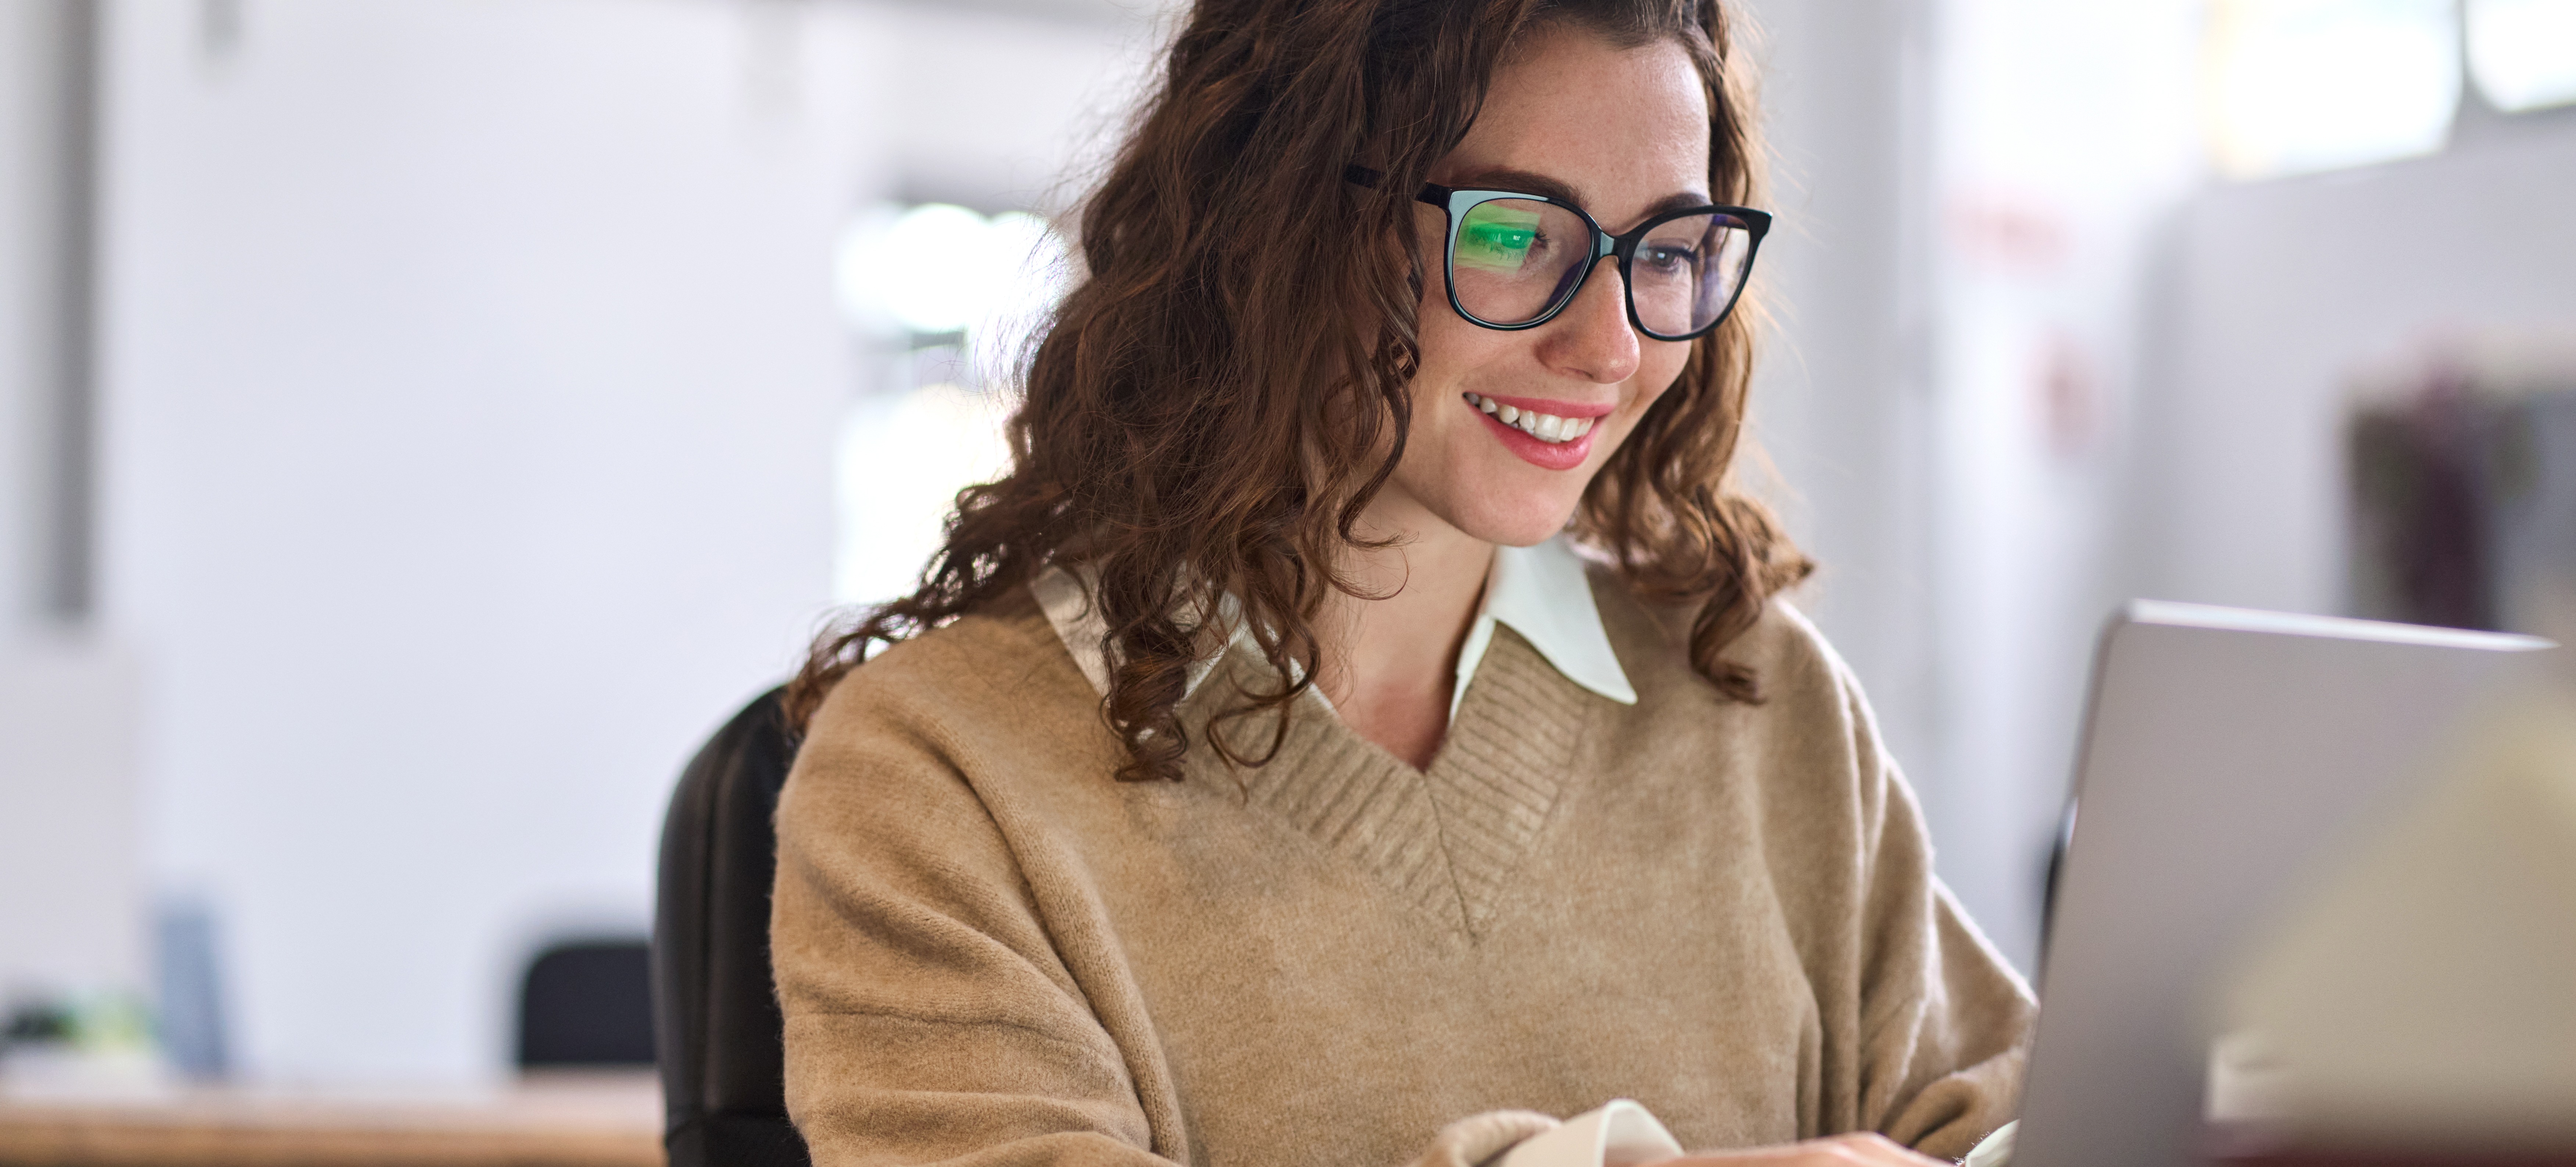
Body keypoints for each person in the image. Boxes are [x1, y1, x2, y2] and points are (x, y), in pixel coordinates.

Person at [771, 1, 2036, 1166]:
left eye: (1665, 251)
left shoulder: (1759, 699)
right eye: (1510, 231)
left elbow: (2017, 1113)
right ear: (1274, 221)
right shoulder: (936, 777)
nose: (1608, 345)